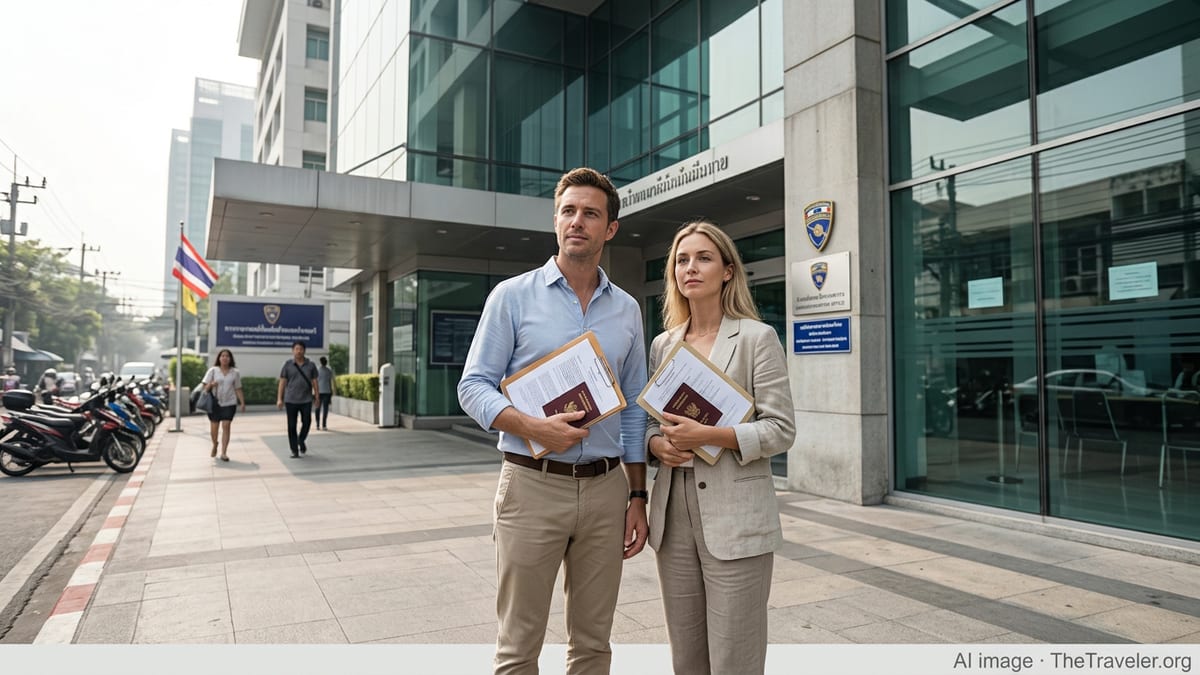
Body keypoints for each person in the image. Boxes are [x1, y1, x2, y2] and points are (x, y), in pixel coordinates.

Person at [458, 167, 649, 675]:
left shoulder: (628, 310)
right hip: (530, 484)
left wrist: (637, 496)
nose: (577, 222)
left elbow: (633, 410)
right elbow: (472, 386)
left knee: (592, 645)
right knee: (518, 647)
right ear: (555, 221)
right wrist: (533, 428)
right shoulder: (512, 296)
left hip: (607, 490)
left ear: (610, 229)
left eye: (591, 213)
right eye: (568, 211)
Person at [645, 220, 795, 675]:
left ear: (727, 271)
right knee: (686, 654)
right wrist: (657, 445)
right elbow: (652, 421)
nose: (690, 268)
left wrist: (709, 435)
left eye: (704, 258)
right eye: (682, 260)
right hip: (673, 512)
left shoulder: (756, 338)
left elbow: (781, 429)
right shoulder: (663, 344)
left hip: (737, 511)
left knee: (735, 655)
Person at [200, 349, 246, 461]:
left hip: (229, 403)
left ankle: (224, 452)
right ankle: (215, 444)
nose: (225, 358)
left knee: (226, 426)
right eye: (222, 356)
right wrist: (211, 384)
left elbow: (238, 388)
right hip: (215, 404)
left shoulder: (235, 372)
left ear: (230, 359)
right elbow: (204, 388)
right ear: (219, 358)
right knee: (214, 429)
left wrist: (242, 402)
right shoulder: (213, 371)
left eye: (227, 356)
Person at [277, 340, 320, 458]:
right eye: (296, 349)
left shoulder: (311, 365)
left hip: (306, 399)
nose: (299, 351)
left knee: (307, 422)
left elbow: (315, 381)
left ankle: (301, 440)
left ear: (304, 351)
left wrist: (317, 396)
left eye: (301, 349)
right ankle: (294, 449)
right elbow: (282, 382)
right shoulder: (287, 365)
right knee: (291, 425)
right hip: (290, 400)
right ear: (293, 351)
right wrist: (279, 398)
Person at [316, 356, 336, 430]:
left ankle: (317, 424)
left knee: (317, 408)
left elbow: (314, 382)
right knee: (325, 409)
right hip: (327, 392)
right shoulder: (329, 370)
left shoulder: (317, 370)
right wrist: (333, 391)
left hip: (318, 392)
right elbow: (331, 382)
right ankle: (324, 425)